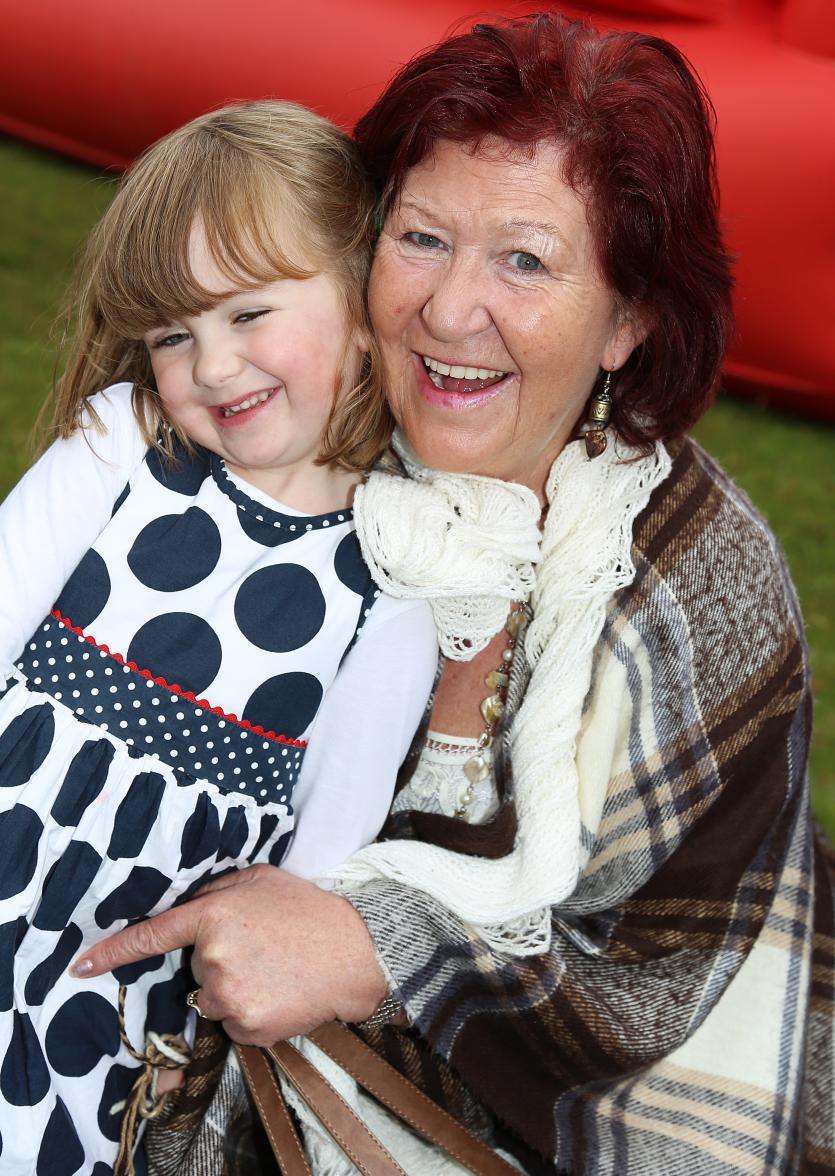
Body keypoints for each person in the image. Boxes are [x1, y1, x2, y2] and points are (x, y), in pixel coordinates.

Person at [74, 13, 835, 1175]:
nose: (446, 311)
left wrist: (386, 947)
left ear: (629, 320)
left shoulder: (695, 588)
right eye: (422, 238)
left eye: (525, 261)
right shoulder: (288, 431)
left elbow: (666, 977)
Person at [0, 100, 438, 1173]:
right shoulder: (124, 445)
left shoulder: (393, 579)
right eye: (172, 335)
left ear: (359, 286)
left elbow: (320, 872)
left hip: (111, 1016)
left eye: (247, 314)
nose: (212, 365)